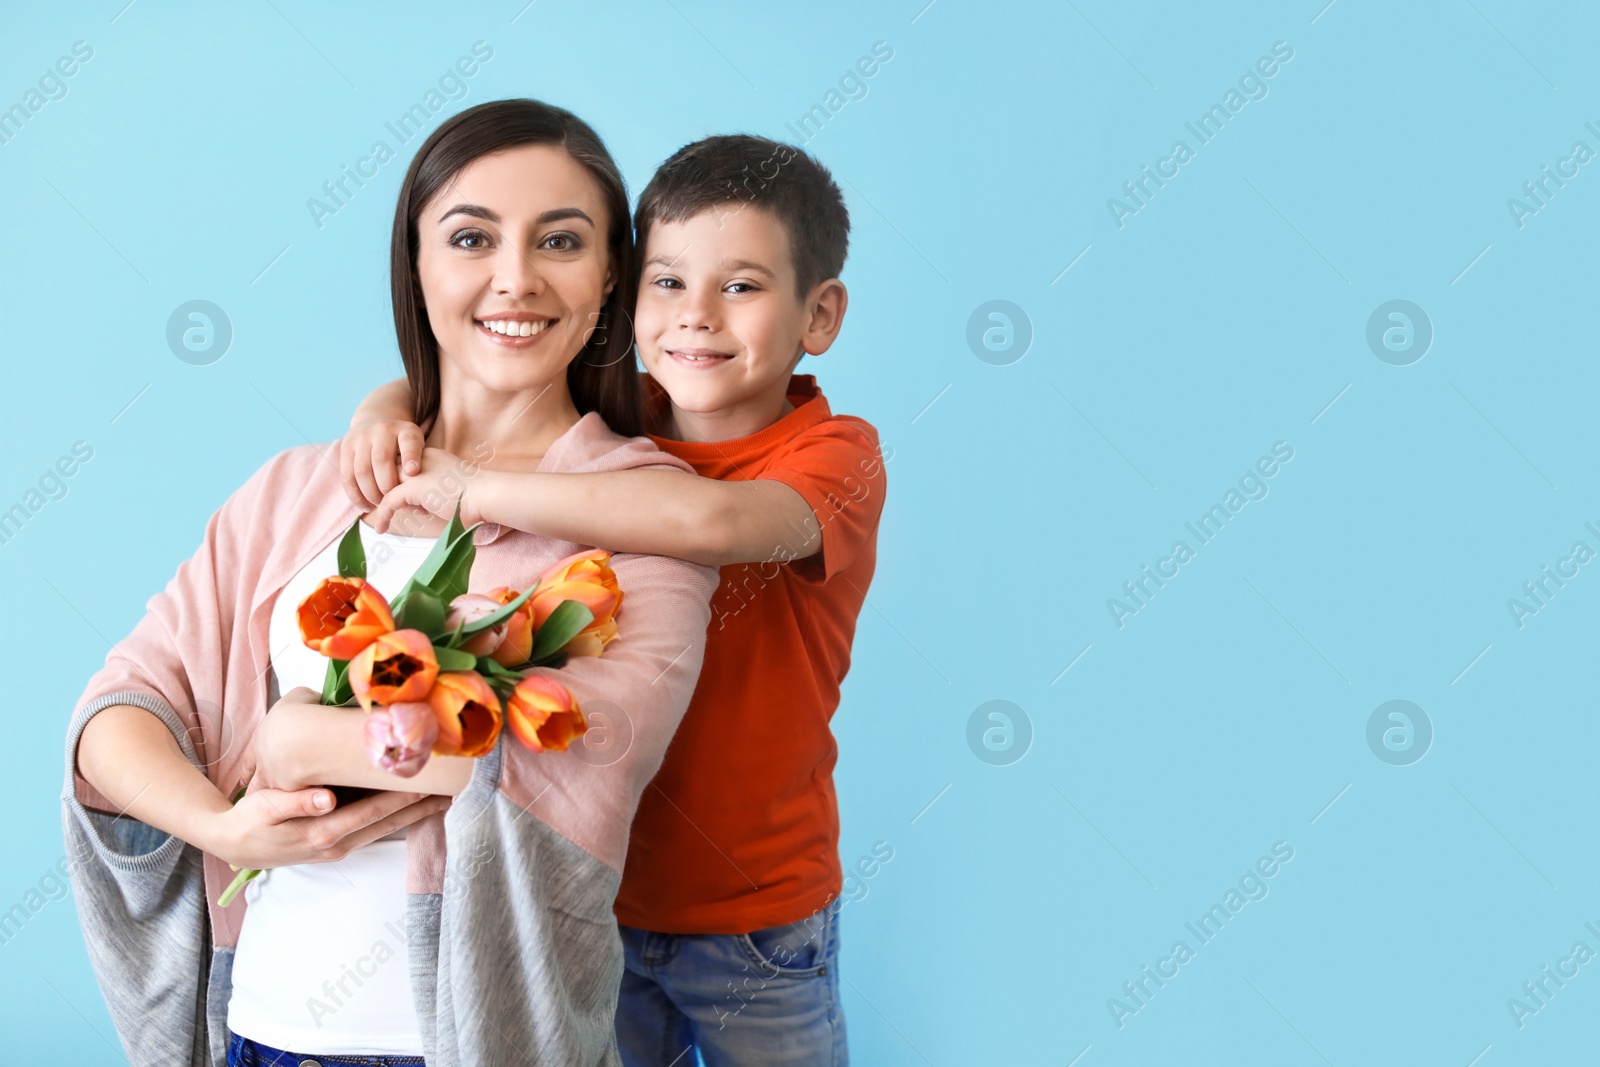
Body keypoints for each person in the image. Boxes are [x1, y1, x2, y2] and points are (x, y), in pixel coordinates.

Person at [64, 98, 718, 1066]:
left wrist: (296, 736)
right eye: (469, 237)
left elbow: (581, 748)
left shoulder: (637, 511)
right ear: (415, 263)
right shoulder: (297, 489)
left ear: (610, 271)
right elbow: (123, 708)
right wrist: (221, 819)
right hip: (263, 1030)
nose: (515, 278)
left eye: (561, 240)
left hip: (479, 1039)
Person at [345, 134, 886, 1065]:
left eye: (743, 287)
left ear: (820, 313)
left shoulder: (837, 456)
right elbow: (469, 371)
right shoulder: (622, 417)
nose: (697, 319)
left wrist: (471, 487)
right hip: (597, 888)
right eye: (668, 283)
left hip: (757, 912)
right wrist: (382, 408)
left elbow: (709, 523)